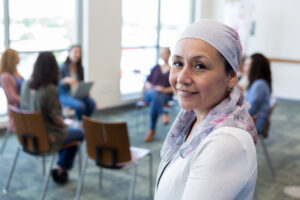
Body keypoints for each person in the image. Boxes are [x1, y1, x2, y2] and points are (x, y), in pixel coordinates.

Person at [155, 20, 258, 200]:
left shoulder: (227, 142)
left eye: (199, 66)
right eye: (178, 63)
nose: (182, 78)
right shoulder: (192, 118)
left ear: (232, 77)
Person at [20, 52, 84, 184]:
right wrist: (65, 124)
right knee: (79, 133)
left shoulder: (26, 84)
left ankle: (61, 169)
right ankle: (61, 168)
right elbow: (56, 119)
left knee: (68, 135)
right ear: (53, 68)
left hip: (27, 135)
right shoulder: (49, 89)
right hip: (46, 137)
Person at [143, 47, 173, 142]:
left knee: (154, 102)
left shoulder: (173, 70)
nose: (163, 55)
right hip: (150, 94)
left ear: (169, 54)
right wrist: (152, 87)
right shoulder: (156, 68)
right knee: (154, 93)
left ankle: (151, 130)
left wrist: (163, 89)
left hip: (164, 95)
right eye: (161, 53)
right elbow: (147, 82)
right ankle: (163, 114)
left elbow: (174, 88)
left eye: (165, 53)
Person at [58, 45, 96, 120]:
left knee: (92, 103)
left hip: (77, 94)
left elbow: (81, 83)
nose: (78, 55)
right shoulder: (62, 67)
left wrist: (85, 91)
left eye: (79, 52)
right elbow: (57, 84)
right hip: (65, 95)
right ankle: (79, 123)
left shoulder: (80, 68)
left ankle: (85, 122)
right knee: (80, 106)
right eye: (75, 52)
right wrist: (65, 80)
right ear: (69, 53)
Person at [244, 53, 272, 135]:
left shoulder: (259, 85)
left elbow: (249, 110)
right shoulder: (260, 83)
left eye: (247, 65)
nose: (244, 68)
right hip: (253, 121)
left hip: (254, 125)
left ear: (254, 68)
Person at [0, 48, 23, 132]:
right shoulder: (5, 76)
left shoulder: (15, 73)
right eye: (17, 57)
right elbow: (12, 97)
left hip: (22, 105)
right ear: (11, 59)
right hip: (17, 108)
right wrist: (26, 100)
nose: (19, 58)